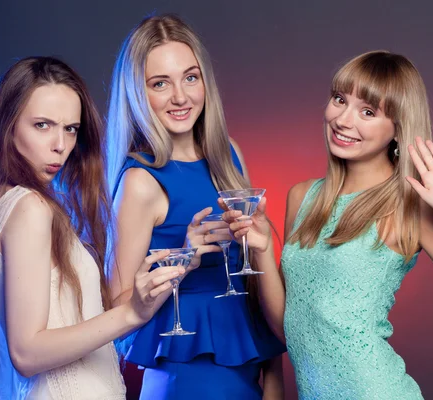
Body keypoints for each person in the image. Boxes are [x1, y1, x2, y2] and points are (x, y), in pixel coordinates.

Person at [223, 50, 433, 399]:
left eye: (368, 112)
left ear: (397, 129)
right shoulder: (303, 196)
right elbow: (290, 328)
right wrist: (261, 251)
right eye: (339, 99)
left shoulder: (409, 206)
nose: (343, 119)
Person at [0, 56, 184, 399]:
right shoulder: (29, 208)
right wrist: (131, 313)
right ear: (8, 125)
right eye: (42, 125)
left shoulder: (1, 204)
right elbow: (27, 352)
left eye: (70, 128)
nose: (60, 145)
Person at [106, 14, 285, 400]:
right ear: (137, 93)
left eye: (190, 77)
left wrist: (274, 375)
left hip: (248, 375)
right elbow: (118, 311)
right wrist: (181, 262)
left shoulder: (229, 155)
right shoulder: (141, 181)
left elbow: (252, 278)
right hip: (185, 382)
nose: (181, 97)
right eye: (160, 84)